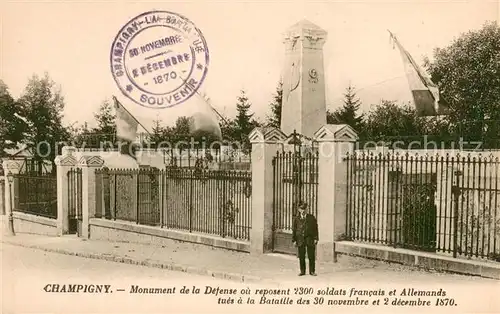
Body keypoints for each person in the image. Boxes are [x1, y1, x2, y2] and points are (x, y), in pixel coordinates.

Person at [292, 202, 319, 276]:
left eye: (304, 209)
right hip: (300, 239)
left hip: (309, 238)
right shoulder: (296, 219)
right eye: (301, 209)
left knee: (311, 256)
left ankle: (312, 271)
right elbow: (294, 230)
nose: (303, 211)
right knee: (301, 256)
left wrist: (316, 238)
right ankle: (302, 271)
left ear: (307, 209)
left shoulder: (311, 217)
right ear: (298, 209)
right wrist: (294, 240)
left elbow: (315, 228)